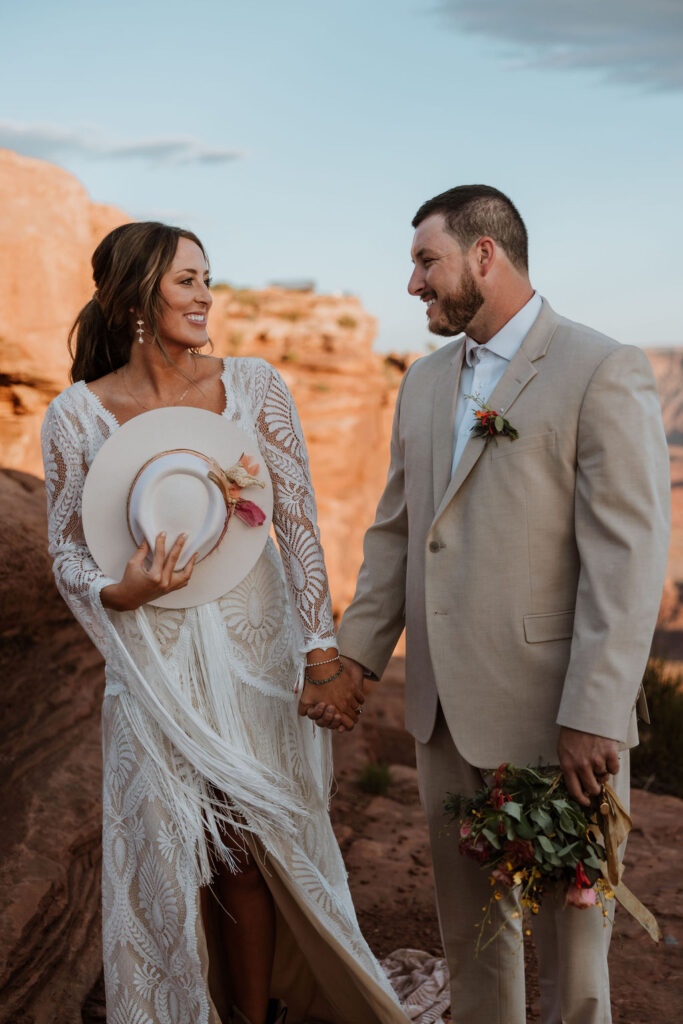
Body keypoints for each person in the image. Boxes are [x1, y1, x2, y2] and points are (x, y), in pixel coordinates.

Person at [310, 186, 670, 1024]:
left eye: (424, 261)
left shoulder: (598, 366)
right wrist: (355, 658)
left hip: (557, 720)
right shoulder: (425, 382)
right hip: (439, 717)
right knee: (473, 952)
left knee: (573, 971)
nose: (412, 285)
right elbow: (398, 535)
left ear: (483, 255)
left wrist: (594, 709)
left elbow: (625, 557)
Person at [41, 221, 409, 1024]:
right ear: (135, 295)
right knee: (173, 853)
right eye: (187, 280)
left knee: (245, 852)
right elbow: (67, 551)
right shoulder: (75, 416)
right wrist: (120, 594)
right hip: (149, 662)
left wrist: (319, 657)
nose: (207, 295)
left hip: (255, 649)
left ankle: (251, 1016)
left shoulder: (252, 386)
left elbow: (300, 525)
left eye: (209, 278)